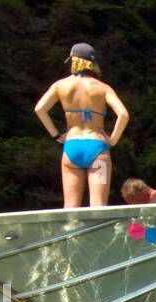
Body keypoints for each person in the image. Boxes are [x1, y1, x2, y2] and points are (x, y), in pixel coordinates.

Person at [33, 43, 129, 208]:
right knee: (99, 207)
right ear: (92, 63)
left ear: (73, 61)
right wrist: (112, 140)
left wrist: (56, 135)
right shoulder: (103, 87)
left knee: (70, 208)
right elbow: (123, 114)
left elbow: (40, 109)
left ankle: (71, 235)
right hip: (97, 146)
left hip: (72, 146)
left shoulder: (60, 85)